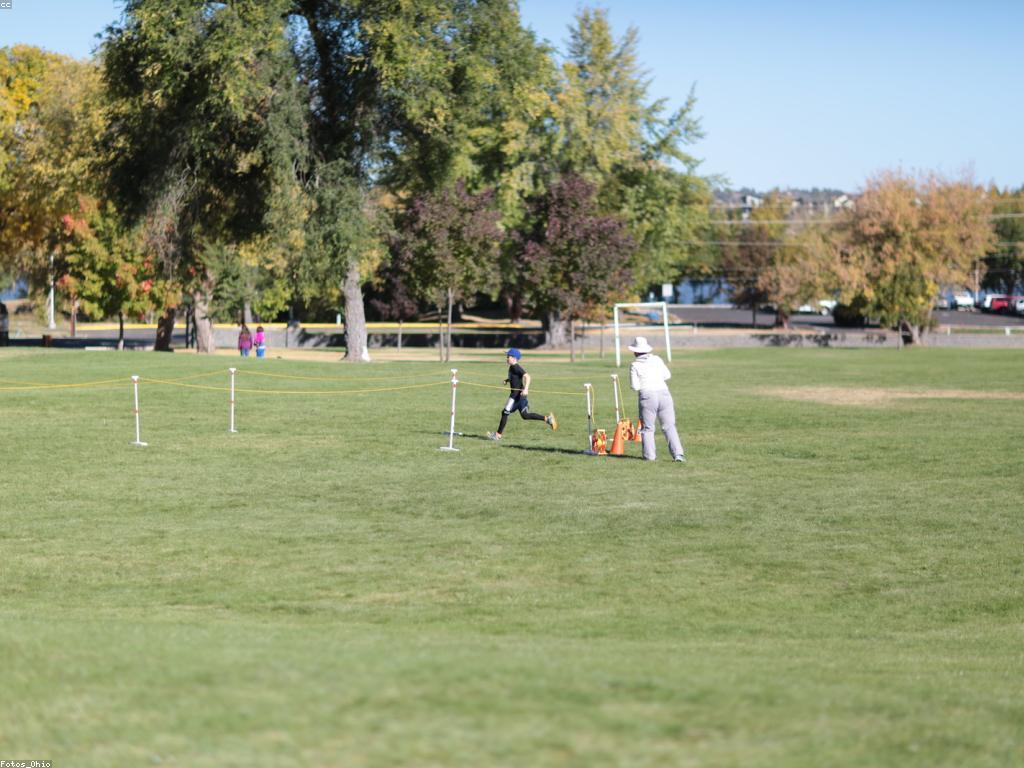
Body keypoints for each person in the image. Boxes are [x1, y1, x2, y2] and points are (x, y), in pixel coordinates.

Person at [627, 336, 685, 462]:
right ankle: (678, 454)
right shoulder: (657, 359)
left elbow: (635, 386)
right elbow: (667, 375)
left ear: (635, 351)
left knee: (648, 428)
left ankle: (650, 456)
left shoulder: (634, 365)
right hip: (664, 393)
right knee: (669, 426)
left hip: (647, 396)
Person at [487, 348, 557, 440]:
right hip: (519, 396)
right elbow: (516, 378)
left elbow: (527, 376)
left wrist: (526, 389)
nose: (506, 358)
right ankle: (548, 419)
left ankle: (497, 435)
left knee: (505, 413)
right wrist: (507, 380)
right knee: (525, 415)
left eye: (508, 356)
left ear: (514, 358)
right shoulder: (512, 367)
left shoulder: (516, 367)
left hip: (516, 396)